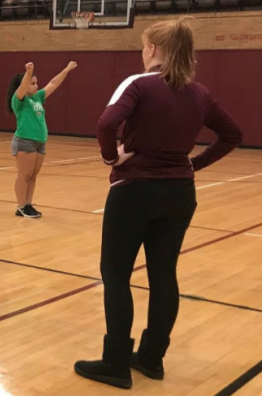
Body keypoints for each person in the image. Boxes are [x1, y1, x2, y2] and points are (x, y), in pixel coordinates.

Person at [74, 18, 243, 389]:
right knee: (163, 275)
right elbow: (233, 134)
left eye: (143, 46)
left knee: (116, 275)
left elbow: (106, 124)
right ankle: (151, 358)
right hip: (180, 193)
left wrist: (109, 158)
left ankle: (115, 364)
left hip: (134, 189)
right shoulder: (199, 92)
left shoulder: (139, 84)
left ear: (152, 49)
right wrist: (191, 164)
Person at [5, 61, 77, 218]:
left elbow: (52, 84)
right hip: (25, 141)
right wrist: (28, 73)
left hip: (40, 142)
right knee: (24, 175)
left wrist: (66, 70)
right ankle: (21, 206)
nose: (36, 86)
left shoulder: (38, 97)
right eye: (33, 83)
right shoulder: (18, 100)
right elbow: (23, 87)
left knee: (32, 176)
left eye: (36, 83)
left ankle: (28, 205)